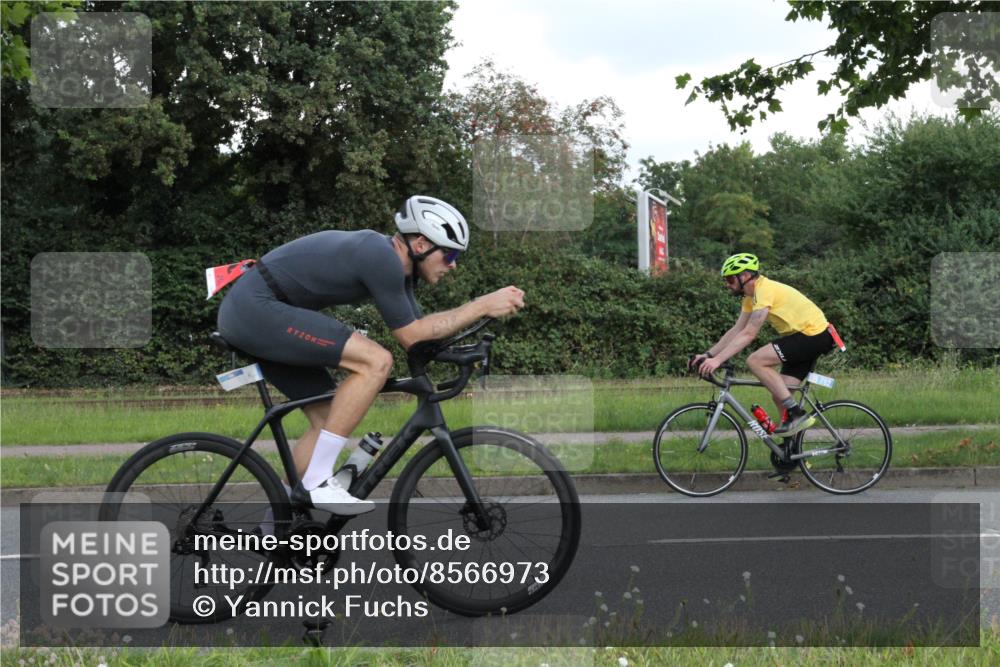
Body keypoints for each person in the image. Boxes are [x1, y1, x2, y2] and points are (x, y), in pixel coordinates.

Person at [217, 195, 525, 515]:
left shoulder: (400, 273)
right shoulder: (381, 257)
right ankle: (319, 482)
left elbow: (421, 339)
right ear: (420, 244)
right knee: (375, 362)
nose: (453, 264)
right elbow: (413, 336)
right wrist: (481, 305)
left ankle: (277, 530)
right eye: (449, 253)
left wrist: (462, 353)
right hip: (255, 309)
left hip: (260, 311)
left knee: (325, 417)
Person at [690, 253, 836, 436]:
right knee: (779, 393)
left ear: (744, 276)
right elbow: (737, 330)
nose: (727, 284)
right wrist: (709, 355)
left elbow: (750, 333)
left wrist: (718, 360)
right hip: (804, 337)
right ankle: (790, 452)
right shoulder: (750, 298)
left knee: (755, 361)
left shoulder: (764, 290)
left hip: (813, 335)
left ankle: (796, 414)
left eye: (729, 279)